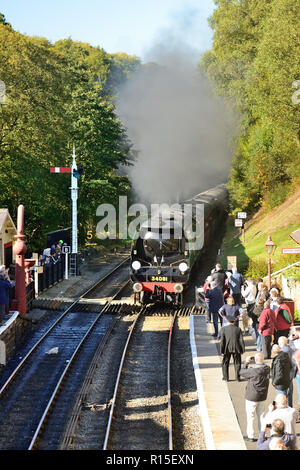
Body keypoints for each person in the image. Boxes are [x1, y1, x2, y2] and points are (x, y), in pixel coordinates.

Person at [239, 352, 270, 442]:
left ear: (255, 360)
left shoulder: (253, 371)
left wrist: (246, 362)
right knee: (262, 416)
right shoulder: (267, 369)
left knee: (250, 416)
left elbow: (241, 372)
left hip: (251, 396)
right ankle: (262, 434)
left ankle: (251, 436)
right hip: (262, 396)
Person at [219, 315, 245, 381]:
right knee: (237, 363)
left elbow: (222, 341)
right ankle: (237, 377)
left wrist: (221, 350)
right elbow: (241, 340)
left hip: (226, 348)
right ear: (234, 321)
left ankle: (226, 377)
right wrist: (242, 349)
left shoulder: (223, 329)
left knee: (225, 363)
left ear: (227, 321)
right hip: (236, 348)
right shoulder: (238, 329)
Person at [278, 336, 297, 407]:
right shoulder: (291, 349)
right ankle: (290, 405)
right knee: (290, 390)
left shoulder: (281, 352)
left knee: (283, 392)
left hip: (284, 374)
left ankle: (284, 406)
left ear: (280, 343)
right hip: (291, 372)